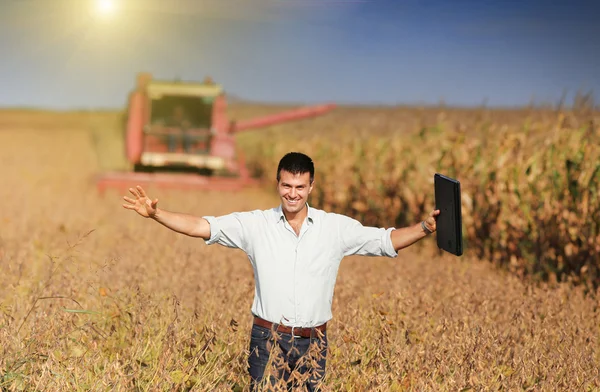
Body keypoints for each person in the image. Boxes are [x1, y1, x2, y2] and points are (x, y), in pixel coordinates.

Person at [122, 152, 440, 391]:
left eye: (300, 186)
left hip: (314, 340)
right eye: (286, 185)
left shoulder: (336, 228)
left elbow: (386, 240)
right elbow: (202, 226)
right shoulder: (255, 224)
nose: (292, 193)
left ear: (311, 186)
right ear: (278, 184)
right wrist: (156, 214)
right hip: (267, 337)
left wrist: (425, 227)